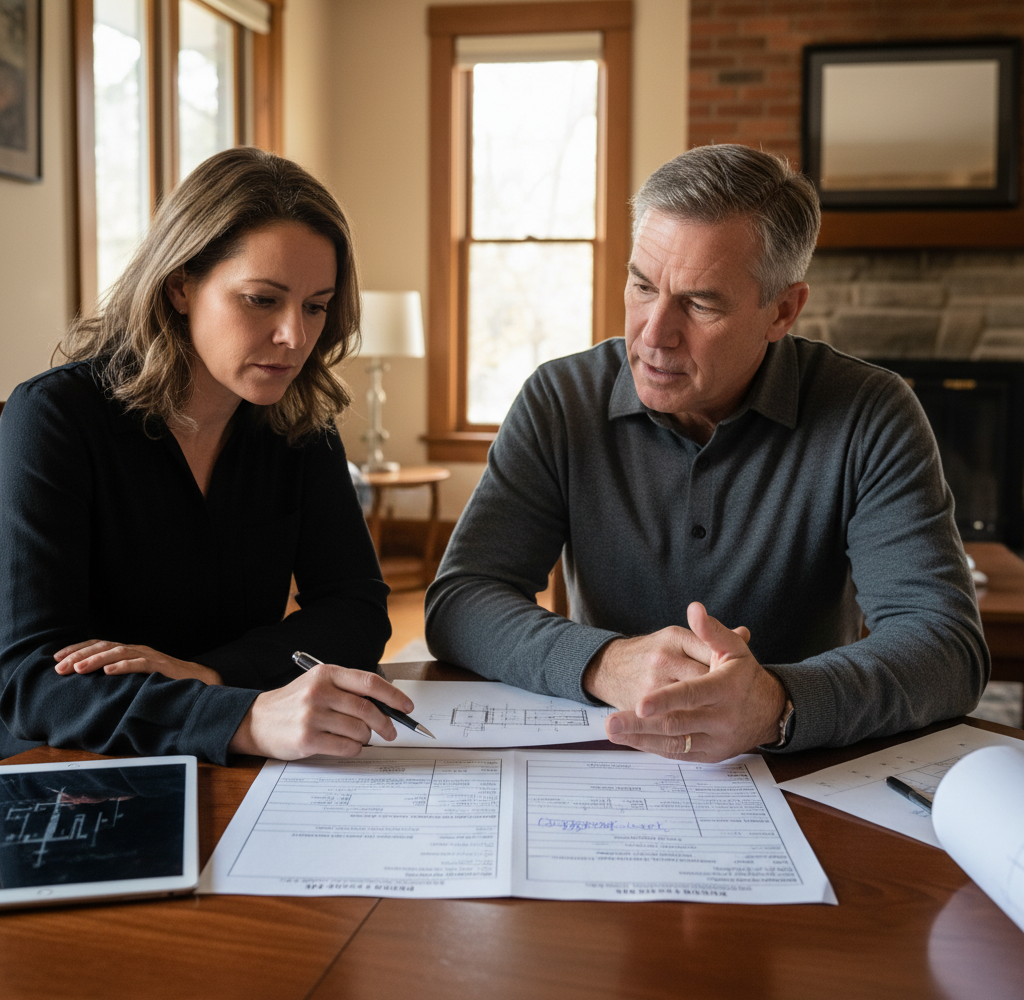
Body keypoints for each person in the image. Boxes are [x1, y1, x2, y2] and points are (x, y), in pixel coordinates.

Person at [425, 143, 989, 762]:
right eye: (642, 285)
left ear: (782, 311)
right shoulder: (560, 399)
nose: (653, 334)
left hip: (797, 765)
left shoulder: (870, 412)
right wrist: (607, 664)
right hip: (607, 756)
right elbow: (461, 600)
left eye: (699, 303)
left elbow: (947, 646)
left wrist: (777, 703)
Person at [0, 146, 416, 764]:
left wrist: (210, 678)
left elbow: (356, 612)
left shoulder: (301, 421)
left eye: (315, 306)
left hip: (233, 756)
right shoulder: (53, 419)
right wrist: (241, 718)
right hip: (75, 765)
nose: (295, 337)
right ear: (180, 285)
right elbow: (29, 680)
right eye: (262, 299)